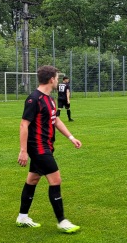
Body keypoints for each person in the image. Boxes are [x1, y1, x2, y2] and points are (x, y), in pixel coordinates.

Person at [16, 65, 83, 234]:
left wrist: (71, 137)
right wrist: (23, 151)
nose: (58, 80)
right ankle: (62, 221)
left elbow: (56, 121)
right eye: (57, 77)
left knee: (32, 180)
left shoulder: (50, 99)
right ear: (51, 79)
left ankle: (22, 217)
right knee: (56, 180)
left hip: (47, 146)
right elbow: (24, 124)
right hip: (38, 147)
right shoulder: (34, 99)